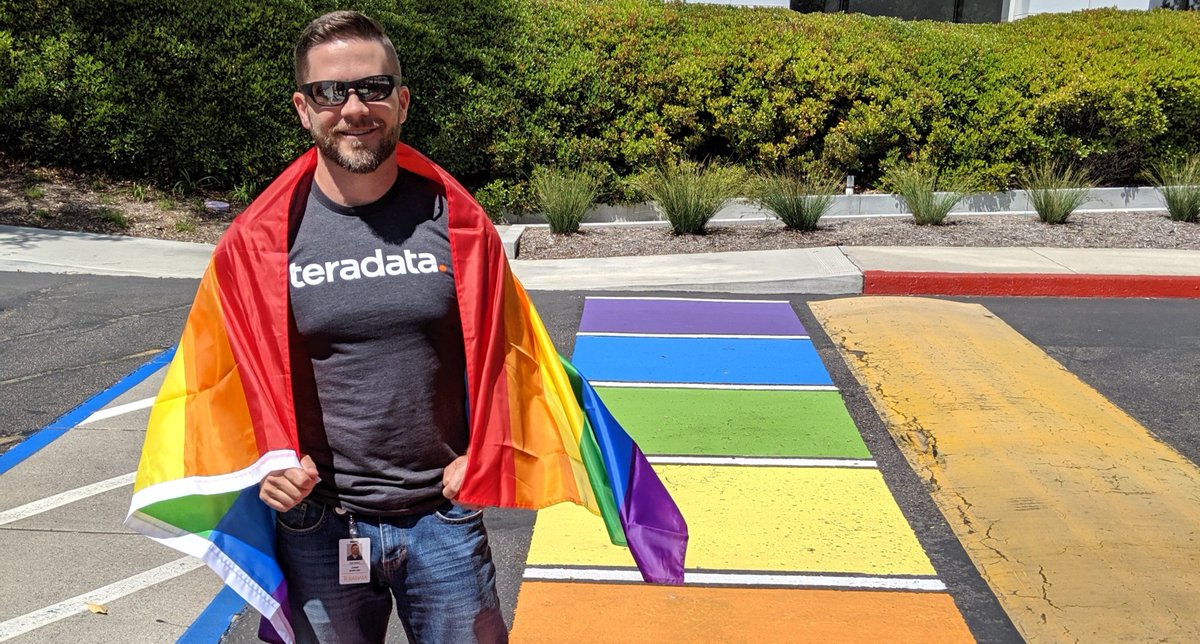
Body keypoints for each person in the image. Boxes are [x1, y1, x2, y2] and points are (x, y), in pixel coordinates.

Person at [255, 10, 506, 644]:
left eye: (373, 87)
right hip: (319, 524)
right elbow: (230, 375)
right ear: (303, 108)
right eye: (330, 91)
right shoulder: (262, 241)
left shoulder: (459, 223)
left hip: (443, 519)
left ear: (402, 100)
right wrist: (264, 460)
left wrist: (489, 446)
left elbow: (509, 356)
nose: (354, 107)